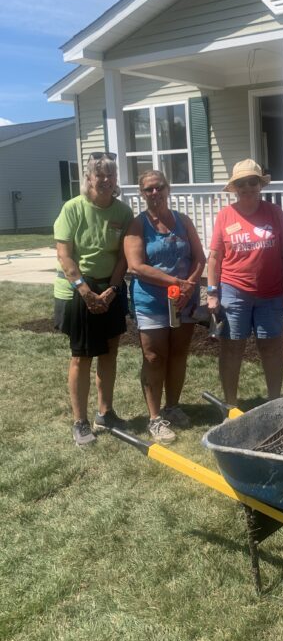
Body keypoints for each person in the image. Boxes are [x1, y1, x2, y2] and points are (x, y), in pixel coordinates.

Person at [53, 153, 133, 446]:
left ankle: (105, 413)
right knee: (82, 356)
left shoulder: (123, 213)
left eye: (110, 175)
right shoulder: (73, 208)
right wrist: (85, 291)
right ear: (88, 178)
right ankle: (80, 421)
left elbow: (124, 256)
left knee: (110, 353)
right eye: (99, 175)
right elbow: (64, 254)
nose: (106, 180)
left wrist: (111, 291)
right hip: (77, 291)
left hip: (109, 291)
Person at [124, 170, 206, 444]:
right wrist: (176, 282)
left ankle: (173, 406)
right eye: (149, 189)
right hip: (151, 301)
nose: (155, 193)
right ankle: (155, 418)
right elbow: (136, 266)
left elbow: (199, 258)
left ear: (168, 189)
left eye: (159, 187)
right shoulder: (138, 225)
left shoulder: (183, 221)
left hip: (184, 301)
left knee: (179, 354)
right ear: (142, 193)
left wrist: (190, 285)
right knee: (154, 357)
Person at [207, 159, 283, 406]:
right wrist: (212, 292)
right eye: (241, 183)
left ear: (260, 185)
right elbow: (214, 257)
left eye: (252, 182)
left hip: (271, 293)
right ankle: (231, 406)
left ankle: (274, 403)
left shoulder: (274, 212)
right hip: (234, 291)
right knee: (233, 348)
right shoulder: (225, 215)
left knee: (271, 348)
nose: (247, 187)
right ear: (234, 187)